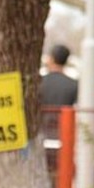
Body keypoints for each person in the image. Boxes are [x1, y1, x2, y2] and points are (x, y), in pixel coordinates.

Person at [39, 44, 78, 175]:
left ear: (51, 59)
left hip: (41, 133)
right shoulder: (74, 85)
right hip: (63, 135)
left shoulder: (39, 82)